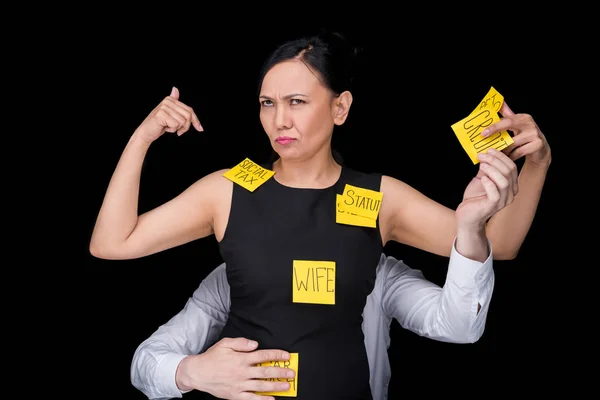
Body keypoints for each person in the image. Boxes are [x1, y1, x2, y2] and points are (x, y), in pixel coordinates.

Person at [90, 31, 551, 399]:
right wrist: (142, 137)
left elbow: (498, 244)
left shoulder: (377, 196)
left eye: (297, 102)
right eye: (268, 104)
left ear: (340, 107)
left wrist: (536, 164)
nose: (279, 121)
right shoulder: (229, 189)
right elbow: (112, 243)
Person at [131, 248, 495, 400]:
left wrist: (471, 229)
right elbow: (144, 362)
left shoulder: (378, 273)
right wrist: (192, 371)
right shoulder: (231, 278)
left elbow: (459, 326)